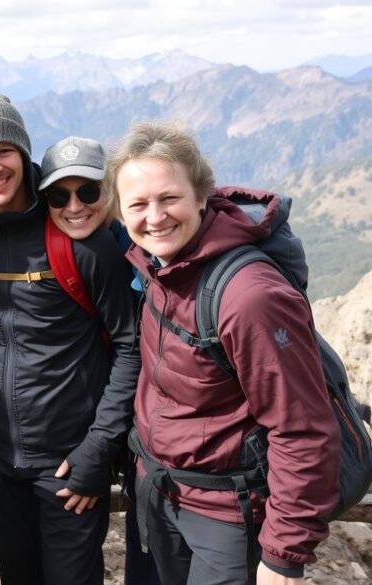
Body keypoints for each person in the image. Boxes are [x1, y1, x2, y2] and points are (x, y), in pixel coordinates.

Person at [107, 121, 339, 585]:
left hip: (225, 515)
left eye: (169, 198)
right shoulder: (160, 266)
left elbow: (303, 427)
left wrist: (283, 555)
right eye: (137, 204)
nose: (154, 217)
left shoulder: (248, 296)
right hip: (163, 494)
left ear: (201, 196)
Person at [0, 92, 140, 585]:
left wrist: (97, 452)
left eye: (3, 152)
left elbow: (128, 345)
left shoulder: (78, 237)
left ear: (24, 153)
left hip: (68, 464)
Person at [39, 136, 159, 585]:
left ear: (111, 193)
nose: (74, 205)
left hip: (168, 441)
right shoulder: (100, 246)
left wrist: (99, 443)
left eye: (88, 191)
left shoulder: (145, 246)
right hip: (136, 438)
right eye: (59, 195)